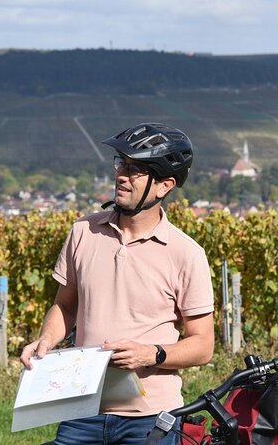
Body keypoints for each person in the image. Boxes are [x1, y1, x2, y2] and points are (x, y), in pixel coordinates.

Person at [20, 123, 215, 445]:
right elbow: (65, 305)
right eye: (121, 164)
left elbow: (203, 346)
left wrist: (152, 354)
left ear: (164, 185)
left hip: (152, 416)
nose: (122, 175)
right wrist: (46, 340)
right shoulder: (83, 232)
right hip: (82, 408)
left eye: (135, 169)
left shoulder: (186, 254)